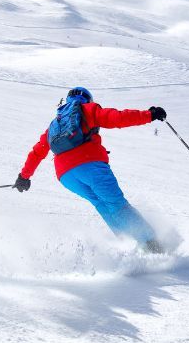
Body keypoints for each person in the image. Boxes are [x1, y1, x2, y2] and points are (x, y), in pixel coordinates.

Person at [14, 87, 167, 252]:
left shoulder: (55, 124)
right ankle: (153, 246)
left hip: (66, 176)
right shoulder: (88, 109)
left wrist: (24, 177)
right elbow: (117, 118)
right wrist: (149, 115)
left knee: (101, 203)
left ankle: (128, 244)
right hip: (90, 166)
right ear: (88, 99)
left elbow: (37, 152)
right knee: (116, 204)